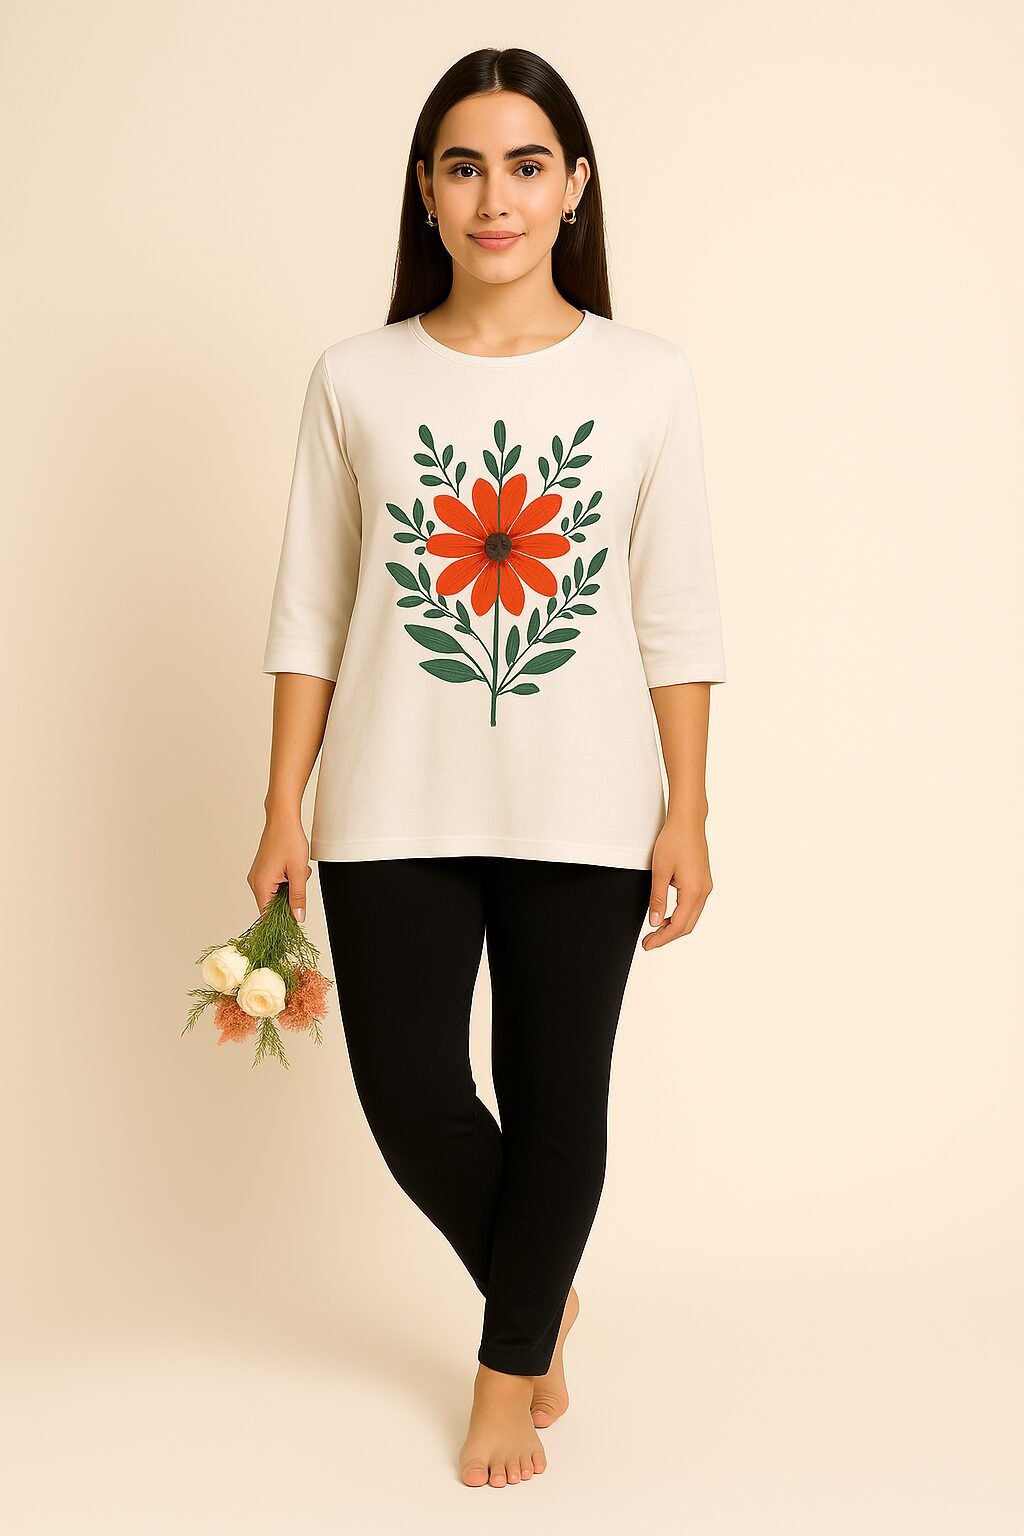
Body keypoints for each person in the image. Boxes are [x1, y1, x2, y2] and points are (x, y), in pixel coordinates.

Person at [248, 46, 727, 1490]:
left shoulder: (646, 379)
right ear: (427, 191)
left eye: (526, 166)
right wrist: (280, 805)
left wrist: (690, 809)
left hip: (588, 804)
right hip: (387, 799)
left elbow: (676, 612)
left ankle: (507, 1367)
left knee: (554, 1094)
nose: (495, 197)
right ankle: (543, 1288)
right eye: (465, 166)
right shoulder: (357, 377)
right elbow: (312, 606)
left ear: (575, 187)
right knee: (409, 1096)